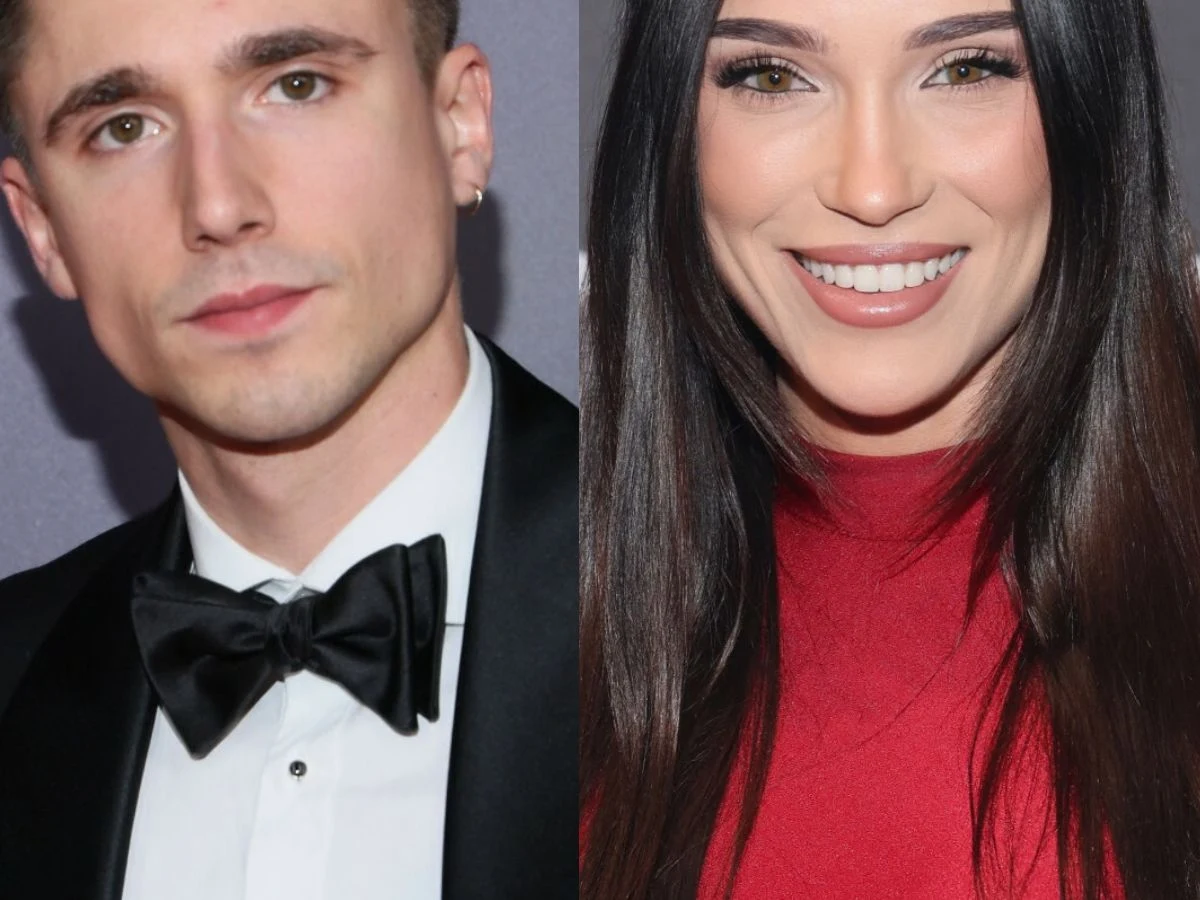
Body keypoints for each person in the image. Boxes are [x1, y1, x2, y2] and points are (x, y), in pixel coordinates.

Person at [581, 0, 1200, 897]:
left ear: (1093, 103)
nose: (872, 188)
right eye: (772, 76)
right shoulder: (549, 599)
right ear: (671, 128)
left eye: (966, 69)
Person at [0, 0, 576, 896]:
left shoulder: (725, 596)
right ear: (42, 228)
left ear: (459, 124)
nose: (219, 205)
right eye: (125, 128)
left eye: (297, 85)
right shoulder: (17, 679)